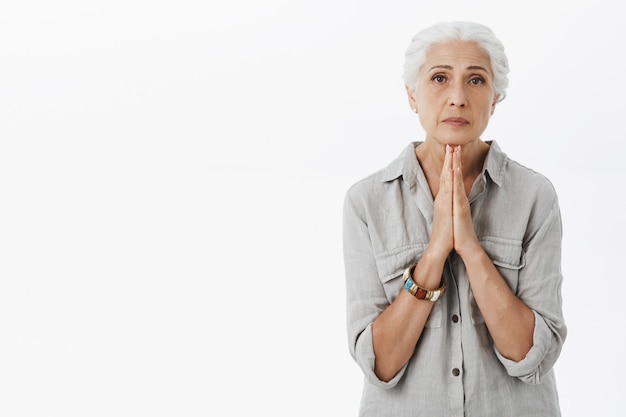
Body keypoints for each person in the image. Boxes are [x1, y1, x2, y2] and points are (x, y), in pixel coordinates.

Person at [342, 21, 567, 416]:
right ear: (412, 95)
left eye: (476, 80)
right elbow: (379, 364)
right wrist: (434, 253)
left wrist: (469, 246)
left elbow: (531, 355)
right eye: (440, 78)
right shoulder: (367, 202)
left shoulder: (535, 197)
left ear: (495, 98)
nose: (458, 97)